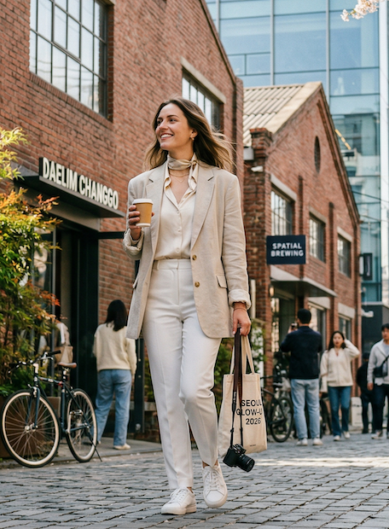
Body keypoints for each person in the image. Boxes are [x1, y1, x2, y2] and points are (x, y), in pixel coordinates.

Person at [123, 98, 251, 515]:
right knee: (167, 395)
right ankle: (181, 488)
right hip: (158, 287)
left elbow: (233, 246)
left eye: (171, 119)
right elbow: (134, 248)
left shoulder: (223, 182)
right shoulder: (141, 183)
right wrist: (134, 234)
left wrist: (240, 302)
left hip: (206, 293)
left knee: (194, 388)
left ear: (193, 129)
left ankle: (213, 467)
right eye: (158, 120)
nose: (162, 125)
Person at [93, 300, 138, 451]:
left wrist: (101, 366)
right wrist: (133, 372)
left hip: (105, 370)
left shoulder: (100, 330)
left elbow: (95, 351)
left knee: (102, 406)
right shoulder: (126, 330)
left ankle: (94, 438)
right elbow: (132, 355)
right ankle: (119, 442)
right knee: (122, 407)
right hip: (123, 370)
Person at [280, 309, 324, 446]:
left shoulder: (293, 335)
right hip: (312, 374)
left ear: (298, 319)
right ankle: (316, 437)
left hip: (297, 375)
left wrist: (289, 333)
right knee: (314, 407)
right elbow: (319, 349)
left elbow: (283, 348)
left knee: (299, 407)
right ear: (310, 320)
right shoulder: (317, 335)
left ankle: (302, 438)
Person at [320, 330, 359, 441]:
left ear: (342, 339)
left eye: (339, 338)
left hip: (346, 383)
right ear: (332, 340)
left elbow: (356, 352)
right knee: (334, 408)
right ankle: (336, 432)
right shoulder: (327, 354)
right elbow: (323, 371)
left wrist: (346, 341)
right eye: (335, 338)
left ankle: (345, 429)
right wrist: (323, 387)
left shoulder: (346, 352)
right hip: (332, 384)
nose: (337, 340)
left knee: (345, 406)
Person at [356, 355, 372, 434]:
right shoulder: (372, 369)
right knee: (375, 410)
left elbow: (357, 380)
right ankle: (375, 427)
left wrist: (362, 388)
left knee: (364, 410)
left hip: (364, 391)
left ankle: (365, 428)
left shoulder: (360, 369)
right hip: (373, 391)